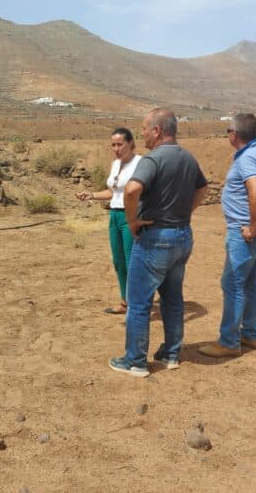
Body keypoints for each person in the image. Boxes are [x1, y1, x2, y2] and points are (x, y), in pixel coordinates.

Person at [109, 109, 208, 377]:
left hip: (155, 239)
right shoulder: (188, 157)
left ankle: (135, 361)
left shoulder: (152, 159)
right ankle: (171, 353)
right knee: (173, 299)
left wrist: (132, 222)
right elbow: (202, 188)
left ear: (158, 130)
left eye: (144, 129)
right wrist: (186, 212)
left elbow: (131, 190)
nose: (141, 133)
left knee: (139, 302)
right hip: (182, 236)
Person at [199, 114, 256, 357]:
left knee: (233, 282)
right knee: (250, 280)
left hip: (246, 231)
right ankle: (251, 335)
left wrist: (254, 225)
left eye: (228, 130)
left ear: (234, 134)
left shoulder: (247, 158)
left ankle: (228, 341)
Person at [76, 128, 142, 315]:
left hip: (131, 216)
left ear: (130, 143)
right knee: (119, 262)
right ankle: (125, 302)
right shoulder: (115, 165)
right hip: (114, 216)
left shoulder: (141, 163)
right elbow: (113, 193)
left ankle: (137, 304)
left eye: (120, 144)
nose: (116, 148)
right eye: (113, 145)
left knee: (132, 263)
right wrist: (91, 195)